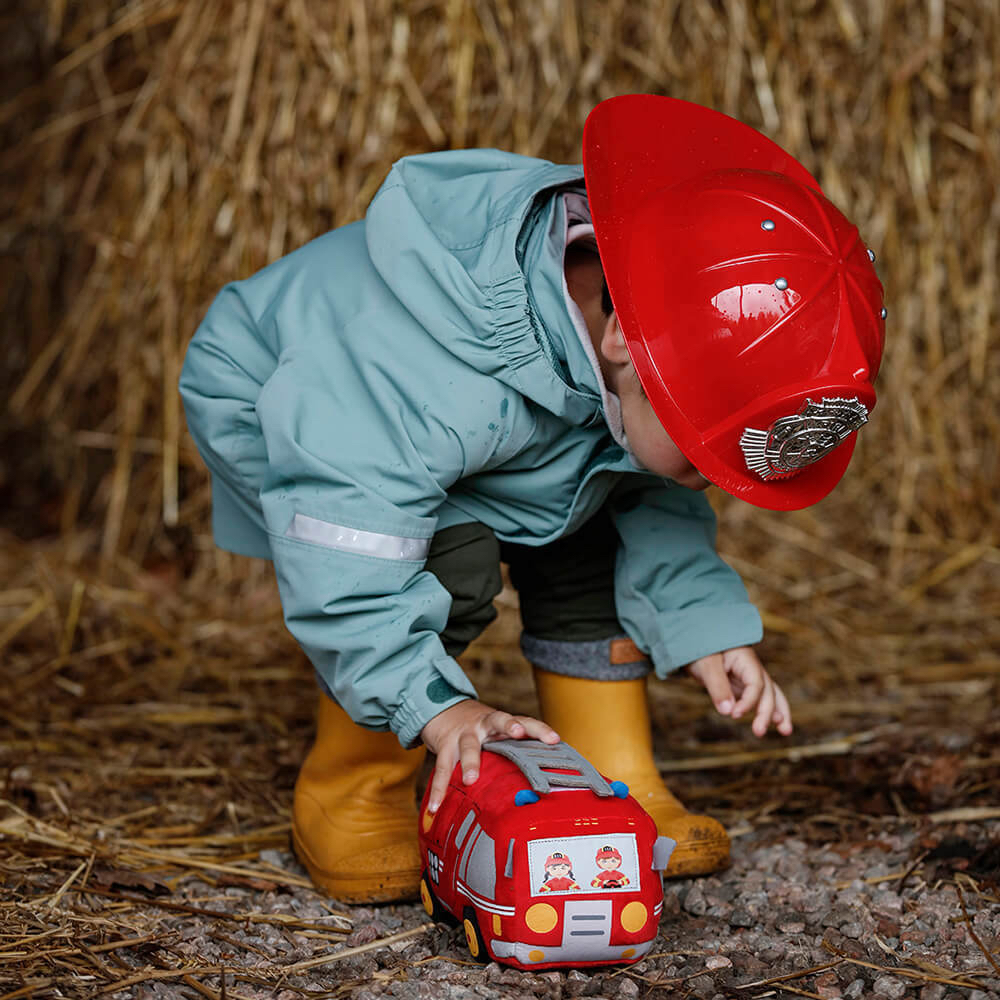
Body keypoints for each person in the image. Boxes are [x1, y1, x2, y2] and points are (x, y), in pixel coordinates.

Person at [179, 94, 885, 903]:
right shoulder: (417, 375)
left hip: (502, 424)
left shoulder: (637, 319)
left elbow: (655, 502)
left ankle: (612, 773)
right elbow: (352, 544)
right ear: (626, 341)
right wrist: (437, 707)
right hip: (289, 406)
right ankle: (353, 786)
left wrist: (704, 631)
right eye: (704, 450)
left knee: (604, 511)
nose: (713, 476)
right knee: (446, 556)